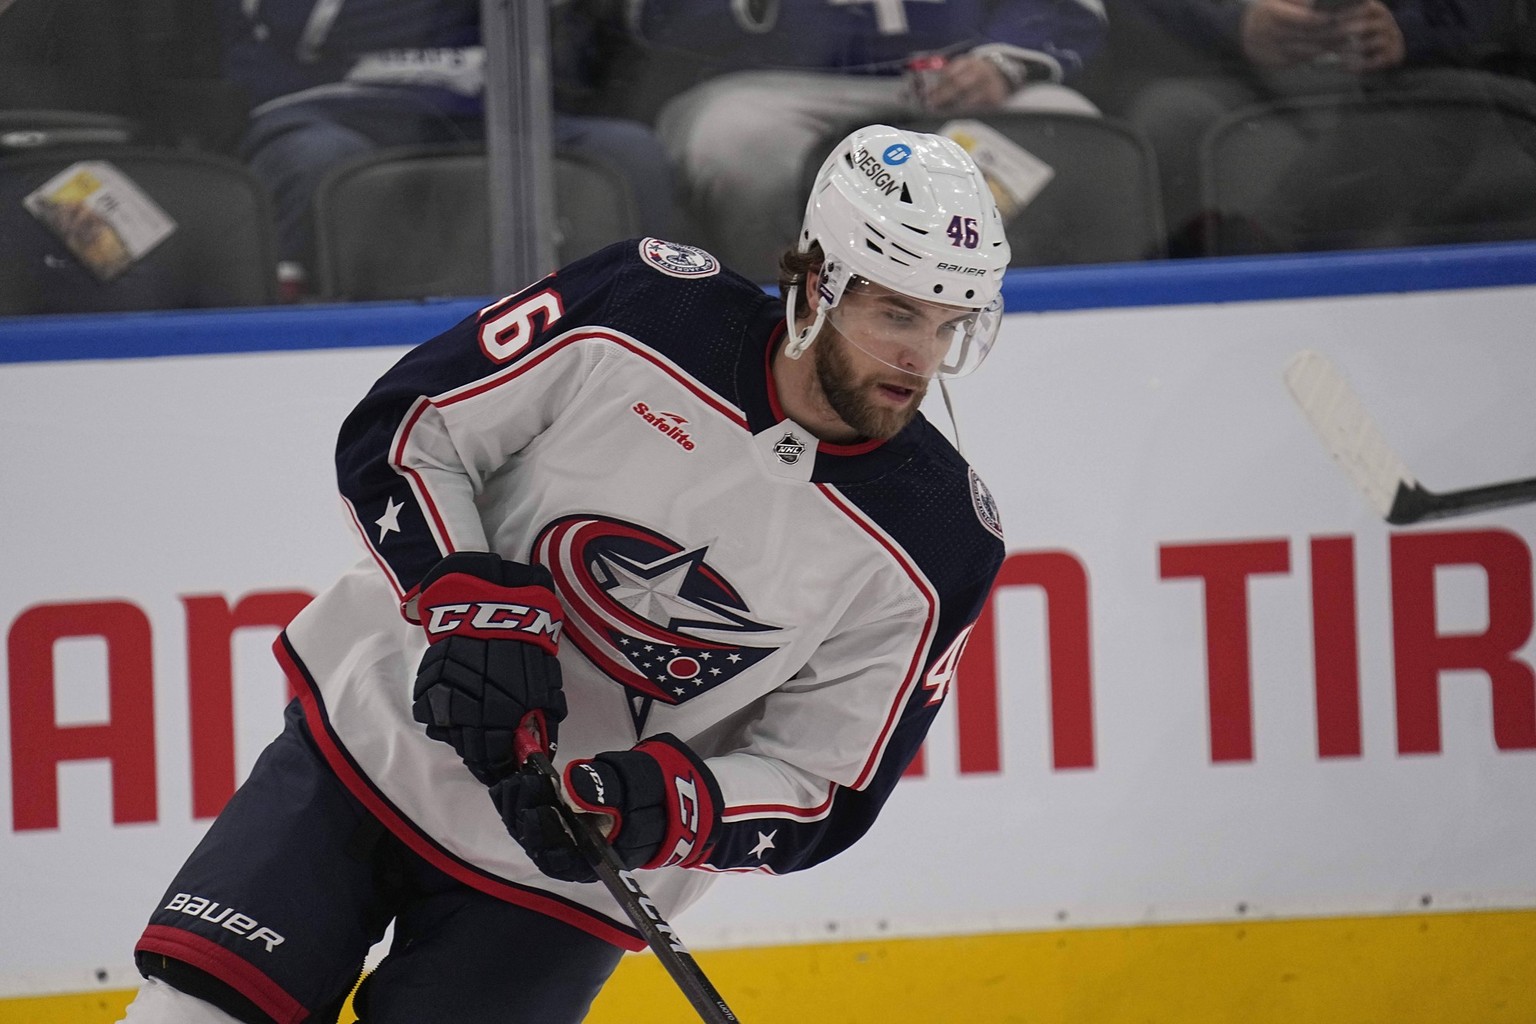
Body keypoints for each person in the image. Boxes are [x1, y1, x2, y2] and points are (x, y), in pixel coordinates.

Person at [115, 122, 1011, 1024]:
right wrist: (470, 607)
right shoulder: (647, 308)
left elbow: (823, 785)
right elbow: (409, 429)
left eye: (950, 325)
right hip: (374, 741)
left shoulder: (941, 541)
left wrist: (659, 802)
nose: (921, 359)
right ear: (818, 284)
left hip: (564, 881)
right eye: (897, 313)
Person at [216, 0, 676, 297]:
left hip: (488, 109)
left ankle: (663, 316)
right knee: (314, 158)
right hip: (332, 106)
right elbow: (300, 21)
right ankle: (294, 323)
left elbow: (570, 35)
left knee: (628, 151)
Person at [636, 0, 1106, 282]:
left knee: (1065, 125)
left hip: (960, 76)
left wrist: (1004, 61)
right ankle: (782, 305)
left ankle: (998, 301)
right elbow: (653, 21)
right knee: (734, 139)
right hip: (766, 87)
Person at [1083, 0, 1508, 252]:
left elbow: (1488, 17)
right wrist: (1233, 26)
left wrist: (1406, 32)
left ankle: (1265, 250)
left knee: (1462, 105)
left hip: (1395, 85)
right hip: (1220, 77)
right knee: (1169, 116)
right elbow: (1122, 15)